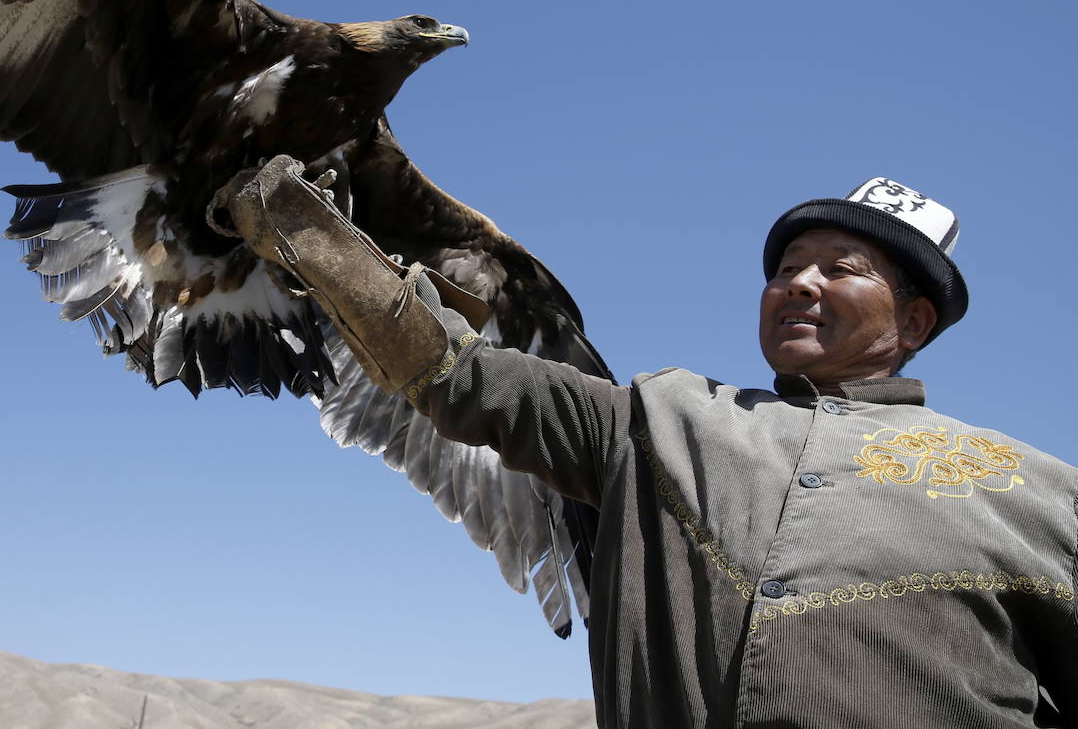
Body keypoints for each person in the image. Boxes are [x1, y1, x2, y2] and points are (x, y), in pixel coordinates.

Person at [218, 162, 1078, 728]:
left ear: (915, 319)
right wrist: (335, 261)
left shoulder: (1031, 487)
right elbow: (461, 379)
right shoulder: (662, 418)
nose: (799, 283)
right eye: (786, 268)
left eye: (840, 268)